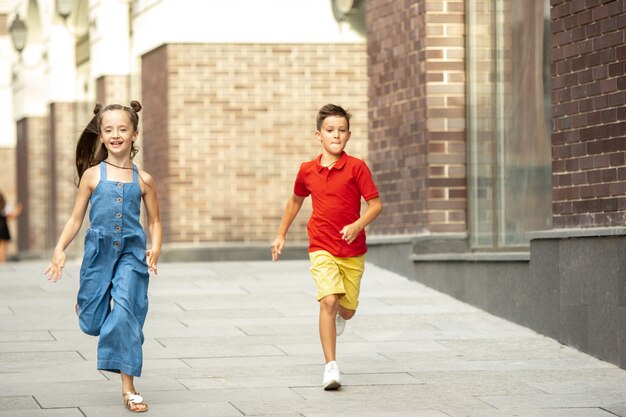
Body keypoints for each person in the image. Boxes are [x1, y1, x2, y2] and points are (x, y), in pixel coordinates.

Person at [44, 101, 161, 413]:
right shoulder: (92, 176)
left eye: (123, 129)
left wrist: (156, 248)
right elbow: (75, 219)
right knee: (94, 322)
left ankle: (129, 388)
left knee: (126, 314)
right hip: (98, 252)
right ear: (101, 135)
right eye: (109, 130)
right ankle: (87, 302)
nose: (116, 134)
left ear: (134, 134)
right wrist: (59, 249)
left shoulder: (145, 179)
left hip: (132, 254)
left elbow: (156, 222)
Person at [271, 104, 383, 390]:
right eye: (330, 130)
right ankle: (331, 366)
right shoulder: (307, 170)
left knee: (347, 310)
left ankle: (341, 317)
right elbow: (295, 200)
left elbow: (376, 205)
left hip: (353, 251)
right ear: (318, 134)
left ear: (348, 135)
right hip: (321, 245)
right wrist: (281, 234)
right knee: (329, 301)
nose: (336, 135)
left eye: (342, 131)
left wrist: (358, 225)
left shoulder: (357, 167)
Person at [0, 191, 22, 263]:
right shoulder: (4, 205)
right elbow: (11, 217)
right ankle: (1, 261)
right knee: (3, 246)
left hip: (3, 227)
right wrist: (18, 210)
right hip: (3, 227)